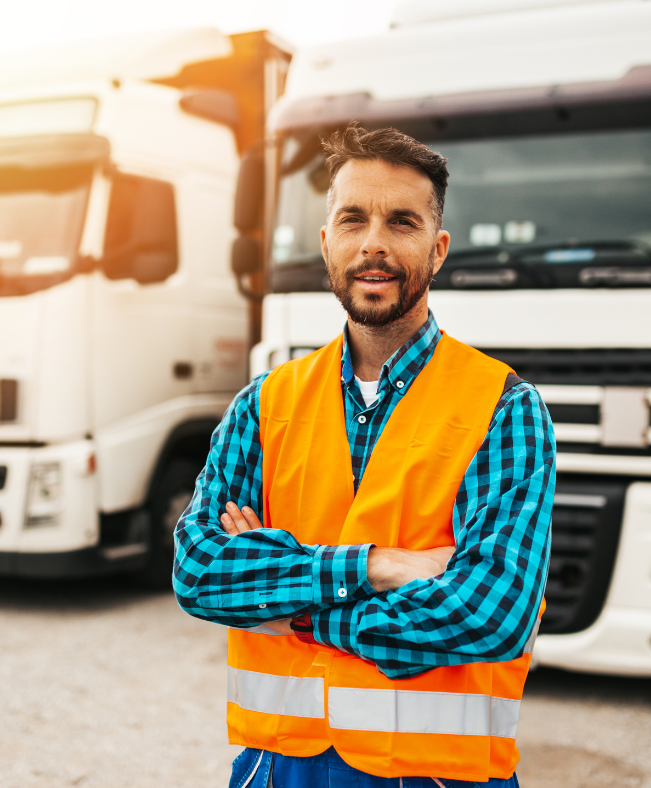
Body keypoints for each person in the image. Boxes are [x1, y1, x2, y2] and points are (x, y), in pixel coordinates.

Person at [174, 124, 555, 788]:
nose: (373, 242)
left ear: (436, 251)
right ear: (327, 243)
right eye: (353, 219)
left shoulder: (504, 408)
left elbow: (489, 612)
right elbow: (202, 573)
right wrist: (383, 567)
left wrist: (290, 604)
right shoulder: (263, 406)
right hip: (274, 771)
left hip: (436, 778)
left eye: (401, 222)